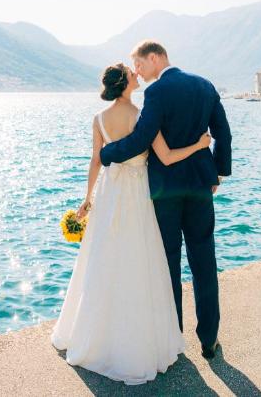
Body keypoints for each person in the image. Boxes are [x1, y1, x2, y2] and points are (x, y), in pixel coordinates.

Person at [51, 62, 211, 384]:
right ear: (125, 82)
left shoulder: (98, 119)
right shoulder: (142, 116)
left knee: (104, 261)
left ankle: (96, 337)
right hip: (137, 196)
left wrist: (87, 198)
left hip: (110, 194)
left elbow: (96, 161)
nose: (137, 75)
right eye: (132, 73)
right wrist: (199, 145)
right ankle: (138, 342)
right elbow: (165, 157)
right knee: (139, 263)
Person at [99, 41, 232, 360]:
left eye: (140, 65)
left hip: (165, 190)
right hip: (201, 186)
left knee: (168, 262)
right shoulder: (205, 85)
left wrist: (107, 153)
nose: (139, 74)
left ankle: (174, 340)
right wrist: (218, 174)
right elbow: (223, 135)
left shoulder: (156, 92)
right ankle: (209, 339)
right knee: (204, 262)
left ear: (155, 58)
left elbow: (142, 138)